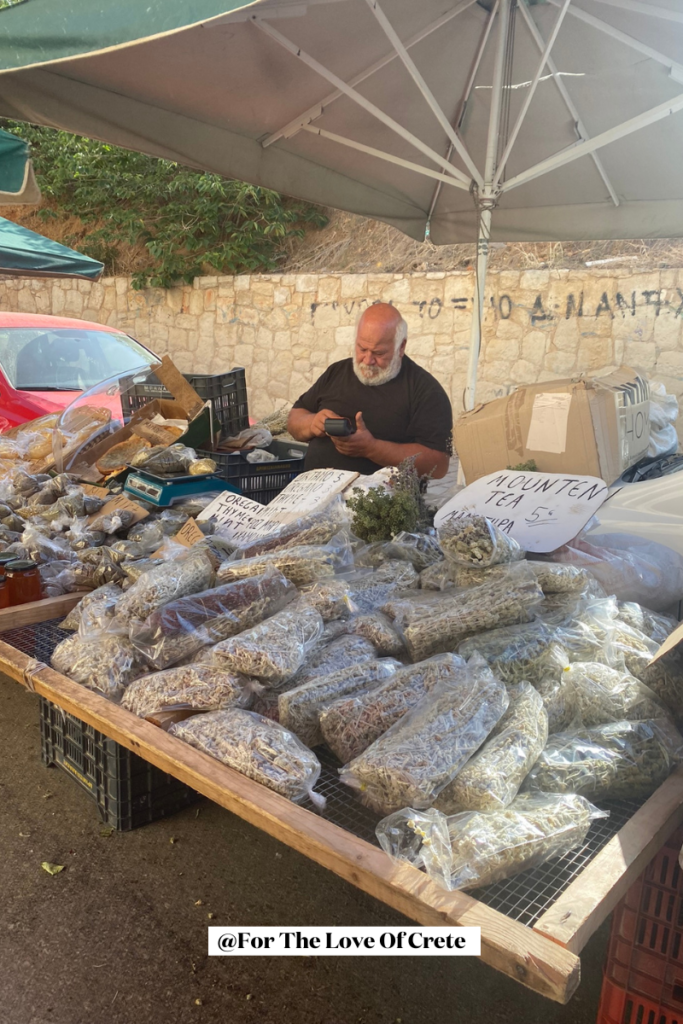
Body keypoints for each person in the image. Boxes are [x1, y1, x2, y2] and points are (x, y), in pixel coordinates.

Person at [287, 303, 452, 478]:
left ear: (401, 347)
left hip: (379, 502)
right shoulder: (337, 372)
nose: (367, 360)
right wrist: (313, 423)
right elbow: (294, 418)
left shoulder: (426, 391)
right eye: (362, 348)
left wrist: (371, 448)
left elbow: (438, 465)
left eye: (379, 353)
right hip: (312, 493)